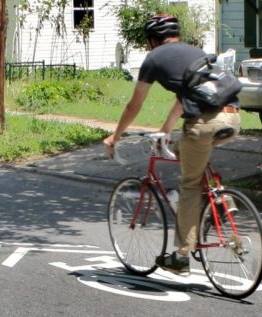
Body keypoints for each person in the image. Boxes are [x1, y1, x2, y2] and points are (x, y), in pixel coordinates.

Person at [103, 14, 241, 275]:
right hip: (233, 117)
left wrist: (115, 137)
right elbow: (185, 97)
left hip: (203, 124)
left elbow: (135, 104)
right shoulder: (195, 52)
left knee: (189, 183)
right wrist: (165, 130)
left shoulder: (154, 58)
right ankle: (218, 195)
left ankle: (181, 256)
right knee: (185, 152)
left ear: (153, 40)